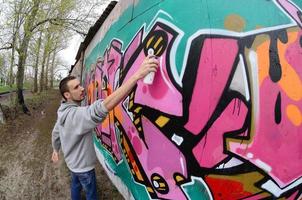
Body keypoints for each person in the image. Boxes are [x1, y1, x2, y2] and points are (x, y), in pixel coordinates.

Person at [51, 55, 159, 200]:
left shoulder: (62, 111)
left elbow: (56, 132)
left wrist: (55, 149)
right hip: (84, 168)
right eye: (76, 87)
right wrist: (137, 76)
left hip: (72, 164)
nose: (82, 89)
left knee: (75, 187)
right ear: (67, 95)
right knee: (91, 194)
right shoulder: (74, 115)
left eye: (80, 84)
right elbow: (100, 109)